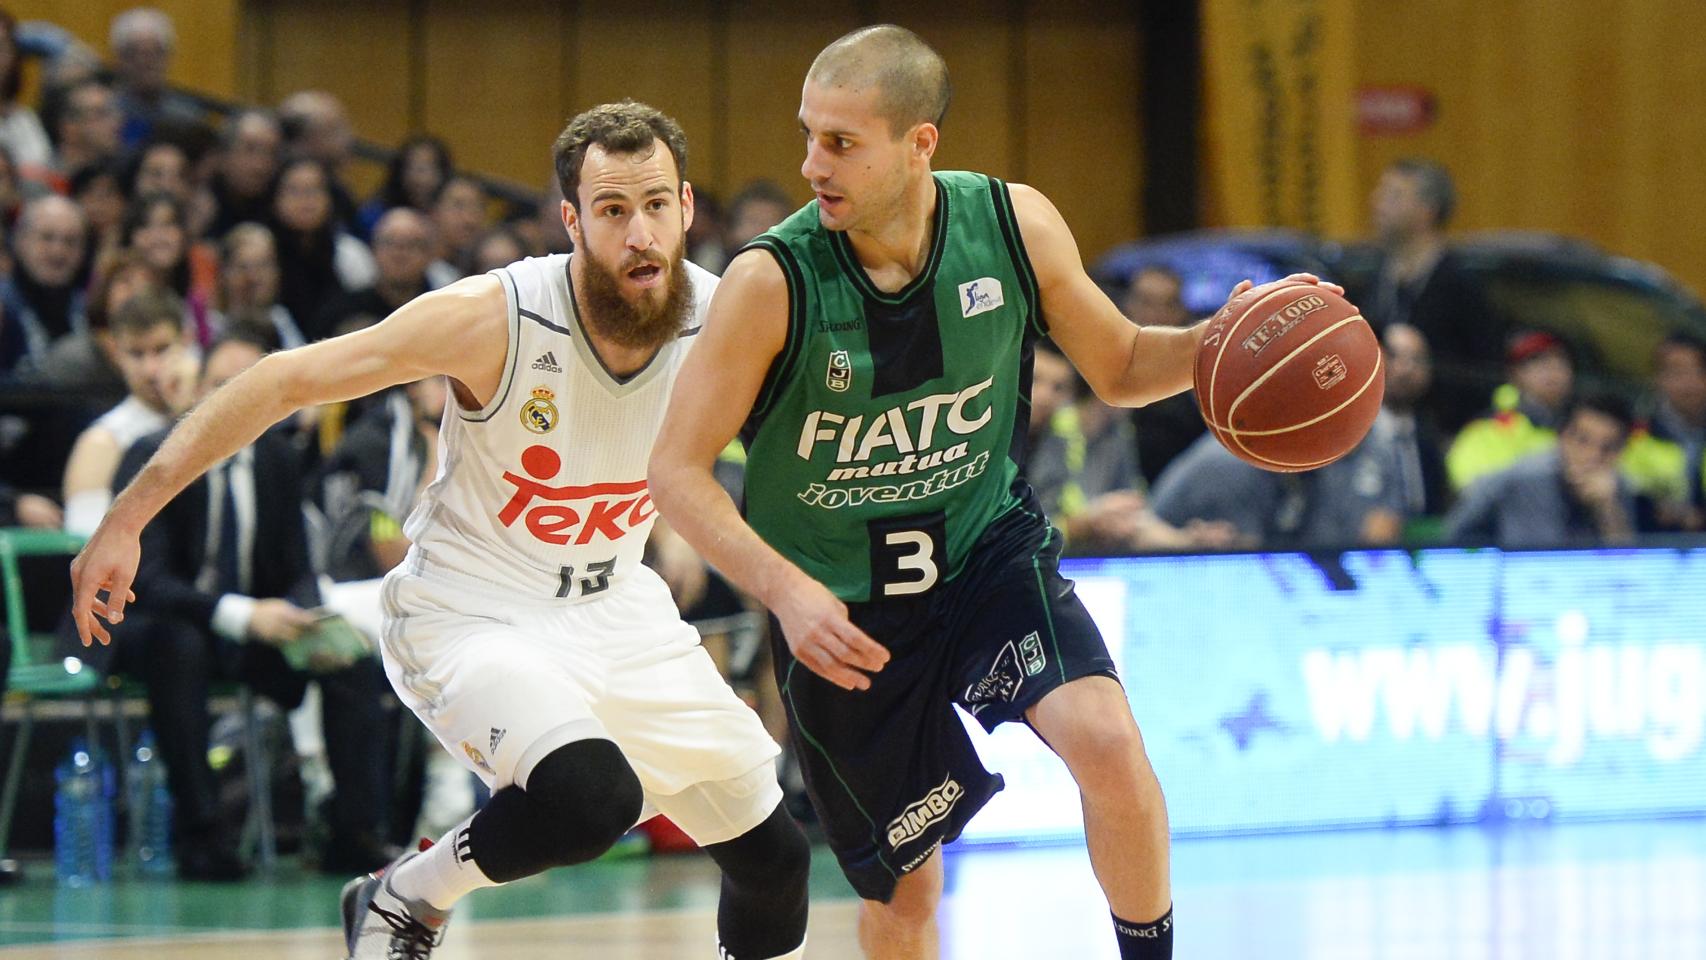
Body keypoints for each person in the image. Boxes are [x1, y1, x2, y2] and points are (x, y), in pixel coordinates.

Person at [648, 25, 1338, 960]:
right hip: (841, 611)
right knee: (912, 888)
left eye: (842, 142)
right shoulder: (772, 280)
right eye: (809, 134)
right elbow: (677, 474)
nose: (813, 163)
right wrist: (785, 591)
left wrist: (1226, 340)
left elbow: (1124, 364)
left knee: (1103, 738)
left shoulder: (1013, 226)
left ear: (919, 143)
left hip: (981, 553)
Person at [70, 101, 809, 960]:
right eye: (611, 210)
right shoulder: (495, 316)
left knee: (775, 860)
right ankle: (404, 894)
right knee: (588, 799)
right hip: (473, 610)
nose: (638, 232)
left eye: (655, 205)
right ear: (572, 221)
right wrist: (127, 517)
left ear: (687, 209)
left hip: (618, 605)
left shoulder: (729, 318)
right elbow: (282, 381)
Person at [60, 288, 195, 535]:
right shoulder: (101, 443)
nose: (151, 370)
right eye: (136, 353)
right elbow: (88, 545)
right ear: (116, 353)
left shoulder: (218, 416)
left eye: (162, 349)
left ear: (186, 340)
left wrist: (187, 409)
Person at [1445, 393, 1641, 546]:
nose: (1592, 455)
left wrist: (1607, 509)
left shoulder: (1617, 485)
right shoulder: (1523, 476)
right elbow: (1454, 532)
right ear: (1561, 437)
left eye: (1608, 448)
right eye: (1582, 440)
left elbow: (1627, 566)